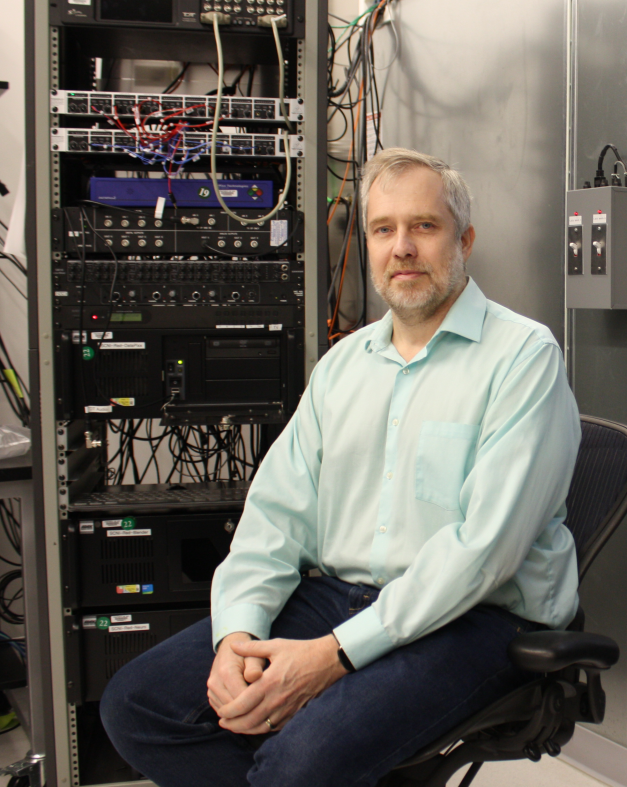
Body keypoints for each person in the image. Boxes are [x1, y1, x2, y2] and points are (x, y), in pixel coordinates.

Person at [100, 148, 582, 787]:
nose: (402, 247)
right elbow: (276, 514)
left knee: (300, 761)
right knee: (137, 706)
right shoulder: (342, 366)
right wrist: (234, 638)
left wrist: (333, 657)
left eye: (424, 227)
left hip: (476, 615)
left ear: (463, 240)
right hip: (338, 593)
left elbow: (482, 553)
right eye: (384, 229)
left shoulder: (522, 357)